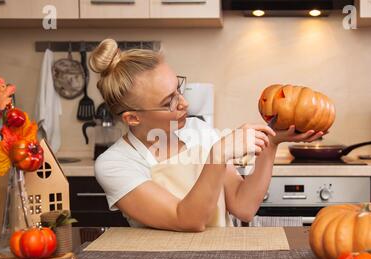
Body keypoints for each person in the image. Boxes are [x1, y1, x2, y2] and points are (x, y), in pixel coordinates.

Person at [90, 38, 323, 232]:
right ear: (133, 118)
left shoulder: (198, 131)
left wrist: (271, 142)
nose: (184, 103)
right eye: (168, 102)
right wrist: (218, 154)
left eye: (178, 90)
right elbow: (187, 220)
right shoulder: (115, 164)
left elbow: (243, 207)